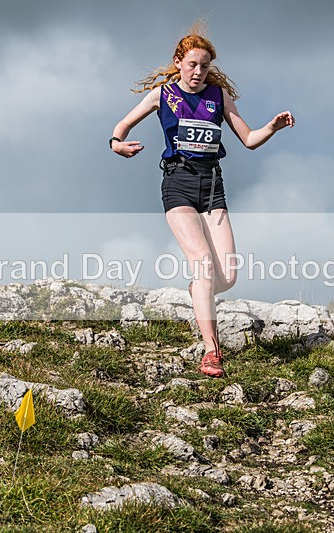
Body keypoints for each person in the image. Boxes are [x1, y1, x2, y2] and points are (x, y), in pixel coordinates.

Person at [109, 23, 294, 377]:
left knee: (227, 276)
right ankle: (212, 352)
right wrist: (118, 145)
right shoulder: (162, 95)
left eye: (204, 66)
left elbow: (250, 139)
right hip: (178, 183)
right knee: (203, 261)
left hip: (212, 187)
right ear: (178, 62)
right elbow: (120, 128)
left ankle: (198, 290)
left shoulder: (218, 96)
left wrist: (273, 126)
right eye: (192, 64)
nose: (198, 72)